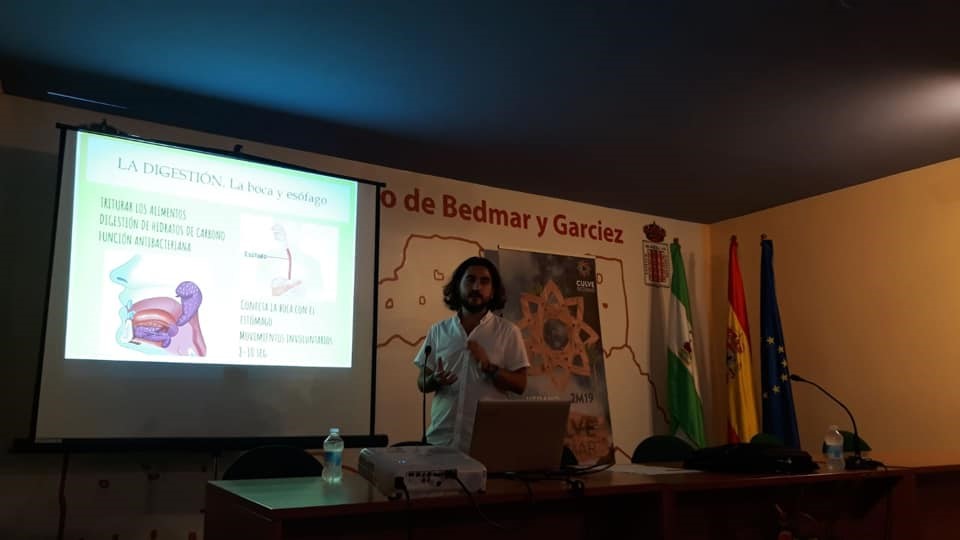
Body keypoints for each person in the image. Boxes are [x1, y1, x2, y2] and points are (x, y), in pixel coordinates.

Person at [414, 256, 529, 451]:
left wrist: (490, 368)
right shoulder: (438, 330)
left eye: (484, 281)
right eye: (470, 280)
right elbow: (421, 383)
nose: (476, 287)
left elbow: (520, 385)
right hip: (440, 441)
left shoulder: (508, 332)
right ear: (458, 286)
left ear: (493, 291)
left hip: (488, 443)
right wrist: (435, 379)